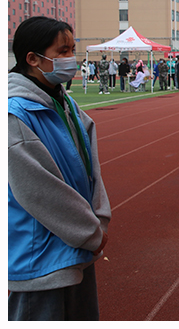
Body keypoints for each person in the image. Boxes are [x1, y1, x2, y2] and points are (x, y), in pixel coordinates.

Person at [7, 16, 111, 320]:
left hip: (75, 249)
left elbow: (92, 170)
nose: (71, 59)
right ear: (33, 59)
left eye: (72, 50)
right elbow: (39, 190)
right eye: (62, 51)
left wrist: (98, 222)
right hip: (39, 259)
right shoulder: (15, 116)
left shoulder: (64, 103)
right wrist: (90, 232)